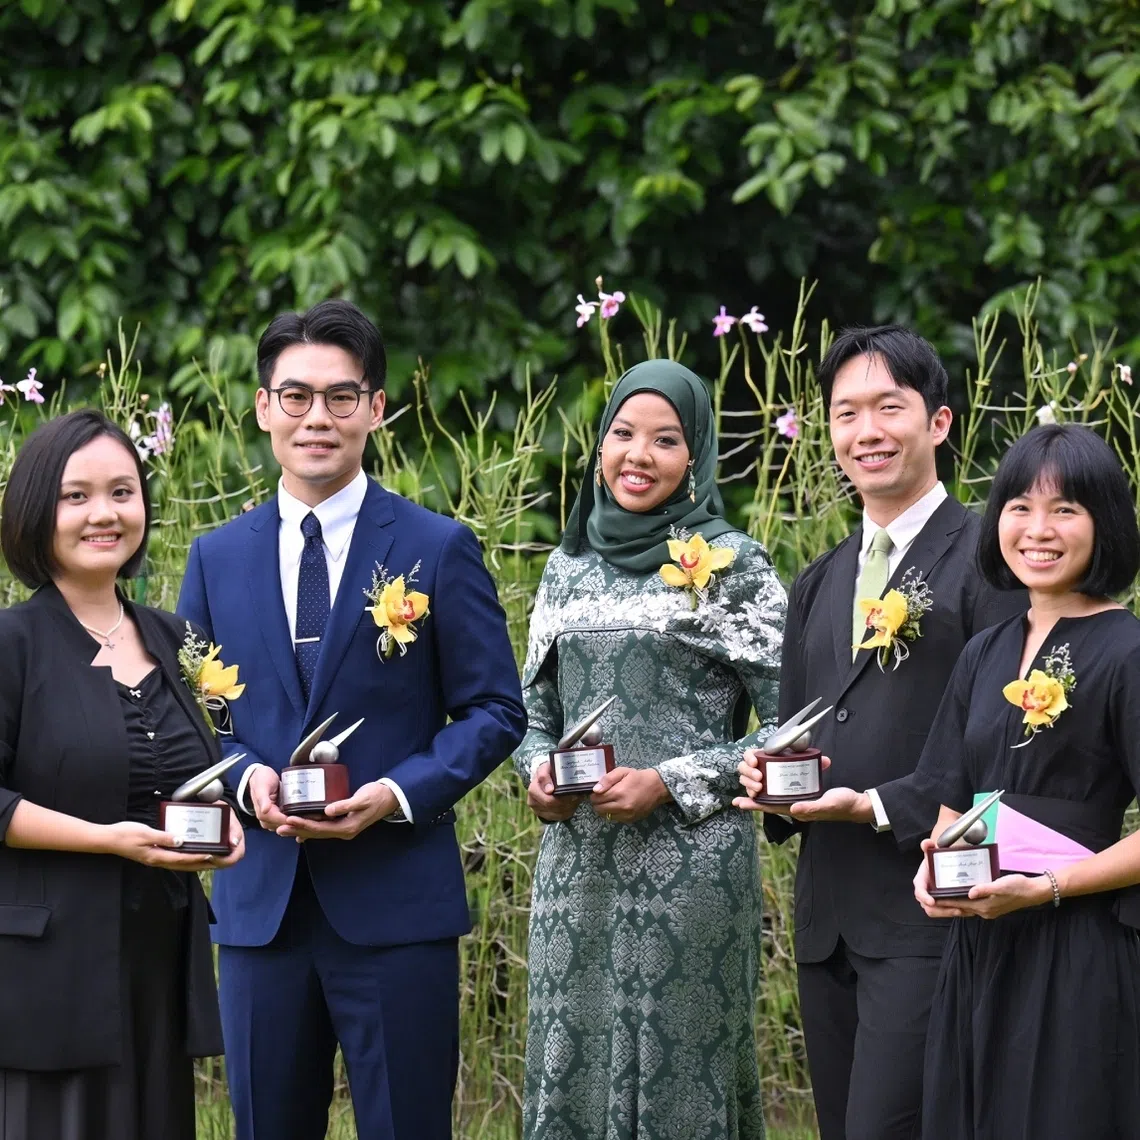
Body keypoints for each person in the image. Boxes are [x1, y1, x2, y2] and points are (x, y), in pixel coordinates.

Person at [177, 299, 526, 1140]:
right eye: (295, 397)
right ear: (263, 408)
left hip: (396, 902)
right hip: (262, 912)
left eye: (341, 397)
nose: (317, 419)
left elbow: (494, 710)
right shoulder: (214, 557)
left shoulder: (437, 546)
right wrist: (245, 778)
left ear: (376, 407)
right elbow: (190, 718)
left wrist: (397, 794)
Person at [734, 326, 1025, 1140]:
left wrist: (877, 805)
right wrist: (771, 783)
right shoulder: (820, 579)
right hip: (828, 920)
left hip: (932, 906)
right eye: (845, 413)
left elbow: (1003, 745)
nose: (866, 432)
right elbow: (797, 727)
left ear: (938, 422)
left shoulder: (989, 561)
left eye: (888, 408)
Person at [515, 359, 786, 1140]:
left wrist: (669, 781)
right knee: (573, 1063)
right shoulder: (565, 570)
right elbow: (533, 713)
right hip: (579, 873)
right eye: (623, 434)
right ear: (599, 448)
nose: (639, 455)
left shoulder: (736, 567)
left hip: (692, 874)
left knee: (682, 1078)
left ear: (695, 456)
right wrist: (537, 776)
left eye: (665, 439)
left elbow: (799, 726)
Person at [0, 410, 244, 1140]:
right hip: (48, 973)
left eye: (122, 492)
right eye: (76, 497)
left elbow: (200, 768)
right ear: (37, 511)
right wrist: (109, 840)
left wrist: (224, 828)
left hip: (155, 966)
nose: (104, 514)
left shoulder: (174, 639)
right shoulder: (12, 643)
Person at [912, 424, 1140, 1139]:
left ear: (1105, 524)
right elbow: (953, 804)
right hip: (981, 945)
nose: (1038, 529)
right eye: (1020, 506)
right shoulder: (985, 652)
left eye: (1066, 509)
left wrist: (1046, 889)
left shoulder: (1128, 650)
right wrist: (932, 871)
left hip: (1080, 950)